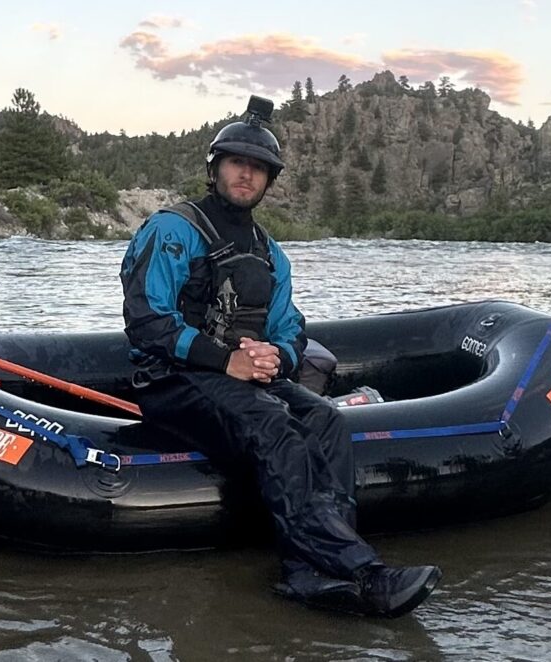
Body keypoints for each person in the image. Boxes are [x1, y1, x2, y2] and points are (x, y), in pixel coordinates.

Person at [119, 95, 441, 617]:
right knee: (275, 424)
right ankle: (363, 571)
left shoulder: (270, 252)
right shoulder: (172, 229)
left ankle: (307, 570)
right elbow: (147, 320)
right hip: (171, 380)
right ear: (216, 167)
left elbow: (290, 327)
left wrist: (277, 357)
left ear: (269, 180)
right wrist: (226, 362)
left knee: (326, 421)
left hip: (240, 379)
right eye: (236, 163)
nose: (246, 175)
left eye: (258, 168)